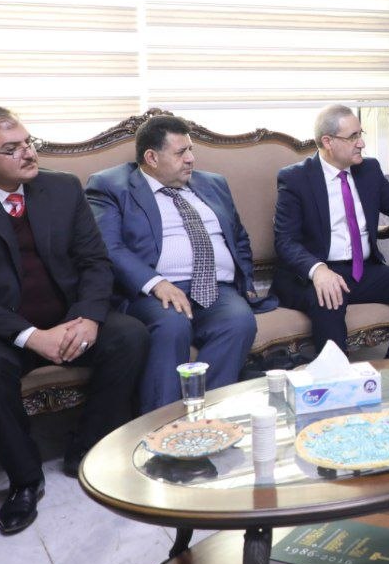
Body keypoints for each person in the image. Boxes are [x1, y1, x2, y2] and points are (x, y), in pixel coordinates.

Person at [0, 106, 147, 535]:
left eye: (28, 142)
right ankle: (24, 480)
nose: (28, 153)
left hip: (65, 317)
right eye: (12, 148)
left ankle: (86, 449)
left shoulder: (62, 188)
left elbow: (94, 262)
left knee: (129, 335)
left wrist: (88, 317)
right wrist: (30, 336)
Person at [86, 115, 271, 413]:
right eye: (181, 152)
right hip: (154, 291)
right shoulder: (111, 186)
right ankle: (161, 422)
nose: (190, 159)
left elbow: (238, 237)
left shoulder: (214, 183)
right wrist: (155, 283)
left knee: (239, 321)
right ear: (151, 157)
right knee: (171, 325)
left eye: (191, 150)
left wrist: (245, 282)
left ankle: (208, 416)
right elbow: (109, 246)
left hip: (217, 289)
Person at [272, 104, 389, 358]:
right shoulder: (296, 179)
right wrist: (318, 270)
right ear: (328, 142)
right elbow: (285, 241)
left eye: (361, 134)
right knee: (330, 294)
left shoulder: (368, 170)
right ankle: (338, 376)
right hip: (314, 275)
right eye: (353, 137)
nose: (362, 143)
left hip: (362, 271)